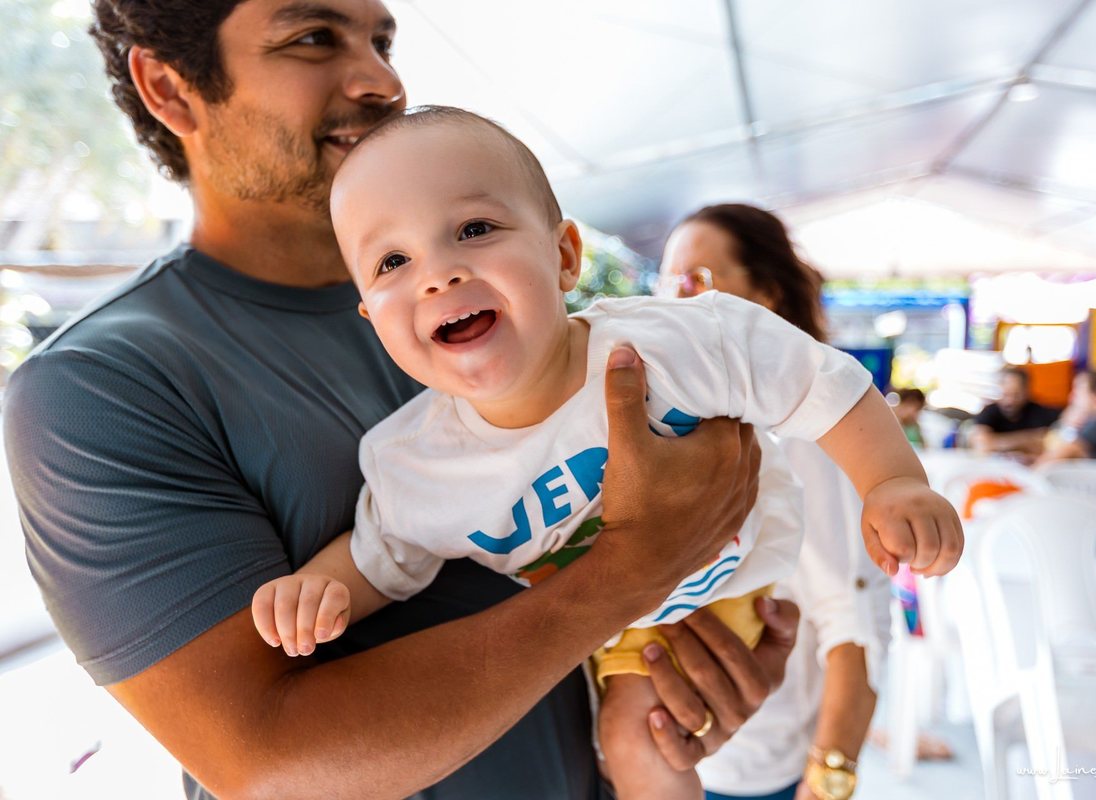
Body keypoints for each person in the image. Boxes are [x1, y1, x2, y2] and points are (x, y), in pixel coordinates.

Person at [3, 3, 803, 798]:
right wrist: (636, 569)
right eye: (312, 38)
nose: (381, 79)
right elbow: (268, 766)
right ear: (170, 88)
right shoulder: (97, 389)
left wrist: (674, 676)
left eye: (381, 39)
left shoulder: (496, 305)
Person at [253, 111, 963, 800]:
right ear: (372, 317)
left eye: (474, 229)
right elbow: (384, 556)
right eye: (393, 260)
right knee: (631, 742)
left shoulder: (672, 344)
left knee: (640, 737)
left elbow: (817, 381)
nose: (437, 275)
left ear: (564, 255)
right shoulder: (414, 464)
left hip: (727, 580)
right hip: (603, 631)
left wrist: (892, 480)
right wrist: (322, 588)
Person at [658, 202, 894, 800]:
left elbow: (853, 618)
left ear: (765, 298)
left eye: (698, 279)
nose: (675, 298)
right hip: (656, 760)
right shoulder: (661, 425)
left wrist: (831, 773)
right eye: (668, 280)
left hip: (751, 772)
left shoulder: (803, 436)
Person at [969, 366, 1060, 461]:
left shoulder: (1041, 412)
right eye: (1006, 394)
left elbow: (1048, 446)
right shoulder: (989, 412)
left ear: (1026, 392)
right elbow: (982, 444)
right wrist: (1028, 439)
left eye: (1016, 395)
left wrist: (995, 441)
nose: (1010, 401)